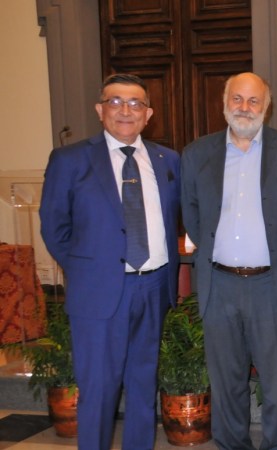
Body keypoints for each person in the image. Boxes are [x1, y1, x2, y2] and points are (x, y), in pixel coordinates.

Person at [39, 73, 180, 450]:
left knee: (143, 386)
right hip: (98, 293)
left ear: (148, 114)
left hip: (153, 287)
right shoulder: (70, 159)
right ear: (99, 110)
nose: (125, 110)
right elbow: (54, 227)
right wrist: (89, 271)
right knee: (98, 390)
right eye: (115, 101)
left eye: (135, 103)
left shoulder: (168, 160)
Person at [181, 72, 277, 450]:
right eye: (237, 98)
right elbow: (191, 213)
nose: (244, 107)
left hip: (272, 285)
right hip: (218, 284)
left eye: (254, 101)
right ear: (225, 102)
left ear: (266, 107)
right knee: (226, 383)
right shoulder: (197, 154)